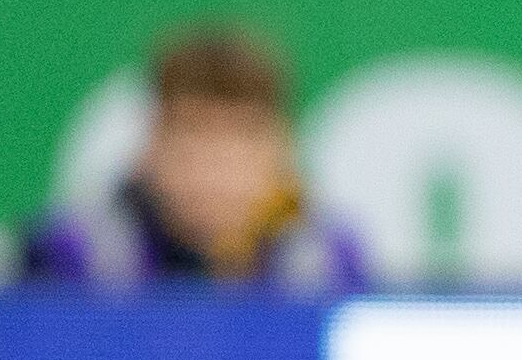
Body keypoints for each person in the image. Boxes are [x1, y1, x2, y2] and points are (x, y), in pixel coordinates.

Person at [19, 27, 369, 291]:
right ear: (151, 147)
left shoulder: (326, 261)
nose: (214, 167)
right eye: (194, 133)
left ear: (282, 151)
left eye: (241, 137)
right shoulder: (78, 253)